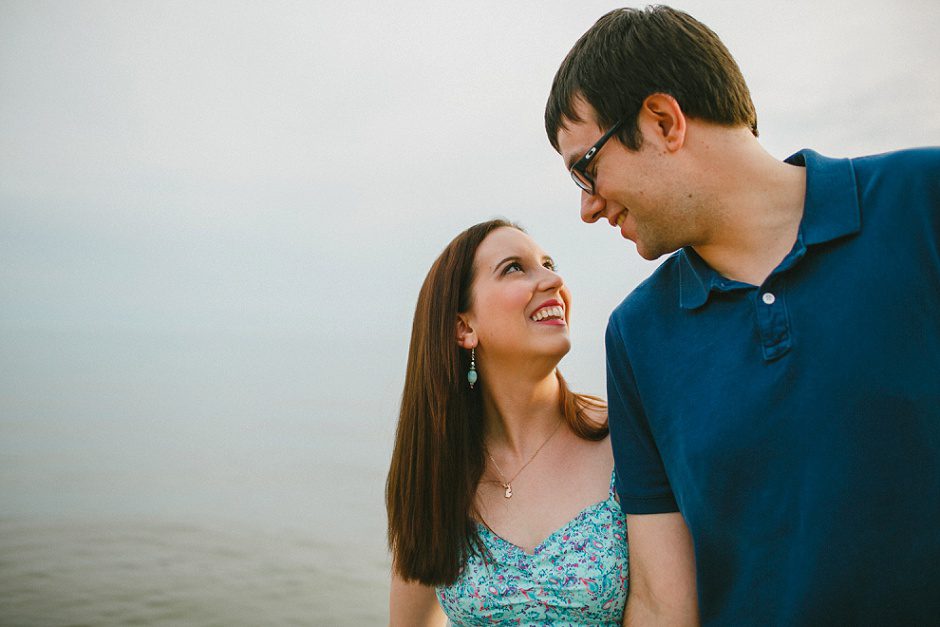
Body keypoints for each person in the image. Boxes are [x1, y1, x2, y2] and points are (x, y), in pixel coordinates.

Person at [544, 6, 940, 626]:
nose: (588, 208)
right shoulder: (636, 334)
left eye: (585, 169)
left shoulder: (923, 200)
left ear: (662, 121)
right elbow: (661, 601)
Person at [386, 219, 629, 625]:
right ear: (464, 327)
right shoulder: (436, 471)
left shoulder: (626, 437)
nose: (553, 280)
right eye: (515, 267)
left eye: (549, 263)